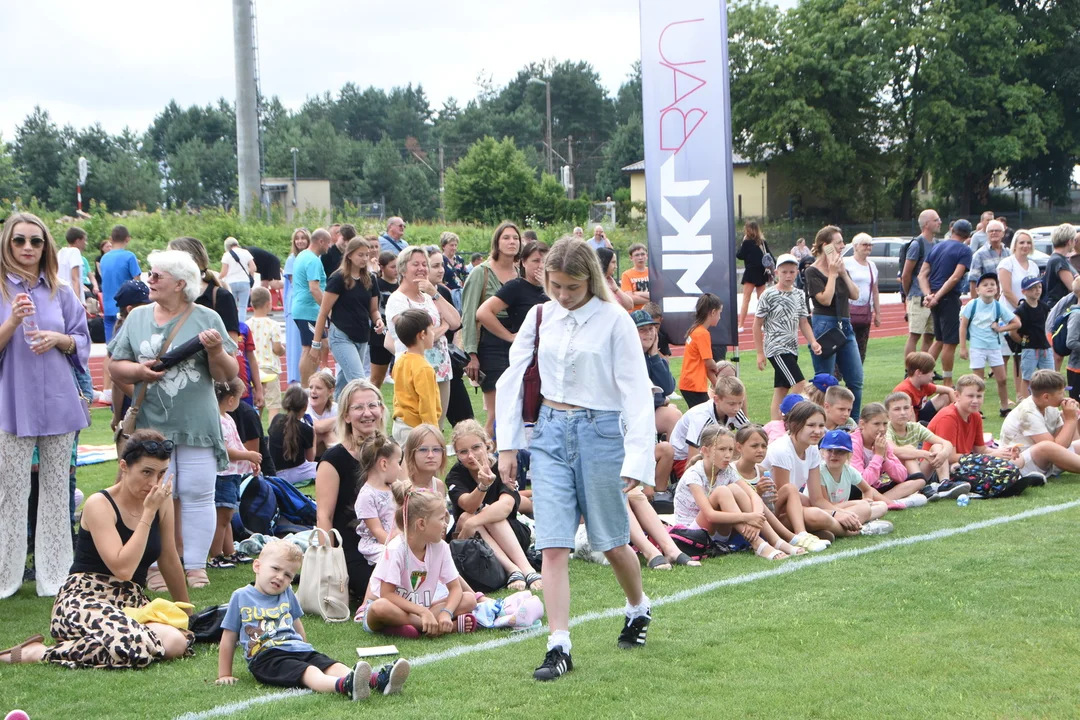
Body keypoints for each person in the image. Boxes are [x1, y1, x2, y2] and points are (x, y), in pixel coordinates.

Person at [496, 237, 656, 681]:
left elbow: (637, 391)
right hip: (548, 430)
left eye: (572, 286)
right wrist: (508, 445)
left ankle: (638, 606)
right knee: (552, 543)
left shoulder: (615, 320)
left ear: (592, 279)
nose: (563, 295)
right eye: (555, 285)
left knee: (611, 541)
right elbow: (512, 377)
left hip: (602, 433)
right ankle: (558, 644)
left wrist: (638, 459)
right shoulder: (539, 315)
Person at [1, 432, 193, 667]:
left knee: (175, 642)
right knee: (135, 644)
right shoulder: (99, 504)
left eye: (161, 473)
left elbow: (169, 558)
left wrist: (186, 614)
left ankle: (73, 646)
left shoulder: (161, 500)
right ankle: (38, 653)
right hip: (84, 598)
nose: (154, 483)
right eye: (146, 472)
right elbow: (123, 569)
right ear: (124, 466)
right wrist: (148, 513)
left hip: (130, 601)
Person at [108, 249, 239, 590]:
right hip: (151, 422)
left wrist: (214, 351)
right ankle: (153, 567)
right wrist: (138, 371)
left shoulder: (207, 317)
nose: (148, 280)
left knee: (198, 493)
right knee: (151, 492)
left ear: (181, 284)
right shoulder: (137, 318)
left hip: (197, 421)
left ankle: (195, 566)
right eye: (150, 274)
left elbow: (228, 373)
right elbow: (115, 365)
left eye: (157, 276)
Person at [0, 213, 91, 599]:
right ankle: (6, 576)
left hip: (59, 400)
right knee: (10, 491)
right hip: (11, 401)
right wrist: (12, 322)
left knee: (57, 491)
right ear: (7, 243)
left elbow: (81, 341)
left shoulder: (61, 291)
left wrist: (59, 338)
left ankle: (54, 576)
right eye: (19, 240)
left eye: (35, 241)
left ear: (45, 246)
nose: (27, 248)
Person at [217, 539, 411, 699]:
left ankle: (378, 680)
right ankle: (345, 686)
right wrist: (225, 674)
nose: (280, 577)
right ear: (257, 566)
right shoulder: (241, 596)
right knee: (309, 671)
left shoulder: (287, 594)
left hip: (297, 649)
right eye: (275, 569)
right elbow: (229, 636)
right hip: (267, 657)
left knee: (332, 665)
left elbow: (296, 623)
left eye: (287, 575)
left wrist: (306, 648)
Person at [360, 480, 478, 637]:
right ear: (421, 524)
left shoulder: (441, 547)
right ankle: (427, 626)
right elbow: (387, 594)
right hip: (393, 607)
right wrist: (422, 612)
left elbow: (455, 588)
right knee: (379, 607)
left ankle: (410, 627)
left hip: (422, 609)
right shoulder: (396, 549)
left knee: (469, 599)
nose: (445, 525)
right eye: (441, 519)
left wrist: (446, 613)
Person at [673, 425, 802, 559]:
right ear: (705, 450)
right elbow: (710, 515)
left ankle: (777, 541)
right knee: (722, 491)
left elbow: (753, 495)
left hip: (719, 533)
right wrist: (748, 518)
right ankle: (759, 544)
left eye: (730, 449)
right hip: (693, 534)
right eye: (722, 449)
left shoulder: (727, 470)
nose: (728, 455)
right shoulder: (694, 474)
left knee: (735, 489)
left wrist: (755, 516)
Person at [315, 380, 388, 604]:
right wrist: (329, 564)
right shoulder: (333, 459)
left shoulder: (392, 452)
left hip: (390, 541)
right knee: (386, 590)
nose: (367, 413)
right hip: (353, 548)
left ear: (381, 410)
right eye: (358, 408)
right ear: (346, 416)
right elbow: (324, 516)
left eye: (372, 406)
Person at [447, 420, 541, 589]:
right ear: (456, 454)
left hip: (511, 534)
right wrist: (483, 486)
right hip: (475, 542)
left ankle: (525, 569)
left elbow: (506, 506)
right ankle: (513, 569)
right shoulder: (455, 475)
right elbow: (468, 505)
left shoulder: (502, 467)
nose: (471, 456)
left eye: (476, 447)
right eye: (463, 451)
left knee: (488, 512)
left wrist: (473, 521)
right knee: (465, 516)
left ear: (487, 445)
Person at [461, 222, 522, 435]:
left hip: (519, 344)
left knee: (518, 410)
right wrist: (471, 355)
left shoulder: (521, 273)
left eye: (515, 238)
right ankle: (488, 462)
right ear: (496, 242)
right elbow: (469, 314)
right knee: (496, 415)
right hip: (491, 345)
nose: (512, 241)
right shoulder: (481, 273)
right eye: (506, 237)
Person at [386, 246, 456, 428]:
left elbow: (455, 322)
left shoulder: (428, 297)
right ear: (402, 268)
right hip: (413, 370)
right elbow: (412, 333)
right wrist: (442, 327)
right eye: (415, 264)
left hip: (440, 368)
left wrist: (435, 294)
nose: (421, 268)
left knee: (437, 426)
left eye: (424, 264)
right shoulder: (397, 300)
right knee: (416, 427)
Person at [758, 402, 840, 548]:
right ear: (795, 425)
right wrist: (834, 515)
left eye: (821, 426)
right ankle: (851, 530)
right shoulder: (782, 449)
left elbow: (817, 498)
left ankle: (827, 527)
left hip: (792, 507)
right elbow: (782, 500)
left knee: (865, 506)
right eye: (811, 425)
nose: (817, 431)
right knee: (817, 515)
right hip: (771, 512)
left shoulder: (813, 448)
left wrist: (840, 513)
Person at [312, 237, 384, 397]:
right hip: (341, 336)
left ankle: (334, 415)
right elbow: (323, 312)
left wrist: (378, 321)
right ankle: (368, 413)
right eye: (360, 255)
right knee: (359, 383)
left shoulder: (370, 279)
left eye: (367, 255)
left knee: (344, 384)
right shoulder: (338, 279)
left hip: (362, 336)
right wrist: (316, 344)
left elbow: (373, 310)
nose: (365, 259)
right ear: (349, 255)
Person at [753, 253, 822, 420]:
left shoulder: (798, 294)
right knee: (799, 384)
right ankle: (790, 417)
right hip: (776, 348)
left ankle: (774, 425)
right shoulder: (768, 295)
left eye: (792, 272)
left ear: (797, 273)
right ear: (777, 272)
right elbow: (756, 324)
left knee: (781, 389)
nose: (788, 276)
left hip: (791, 347)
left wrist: (813, 341)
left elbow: (803, 322)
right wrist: (760, 352)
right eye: (784, 272)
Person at [805, 225, 864, 415]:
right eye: (838, 242)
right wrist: (831, 274)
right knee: (825, 382)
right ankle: (824, 422)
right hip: (824, 325)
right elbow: (825, 299)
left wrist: (843, 273)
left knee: (856, 379)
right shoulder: (812, 272)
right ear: (826, 245)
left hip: (844, 325)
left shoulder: (840, 267)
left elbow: (855, 294)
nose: (842, 245)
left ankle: (852, 422)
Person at [211, 378, 261, 569]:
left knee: (228, 515)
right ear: (231, 400)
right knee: (221, 516)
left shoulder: (227, 418)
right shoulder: (219, 420)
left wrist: (249, 460)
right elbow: (224, 450)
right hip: (223, 474)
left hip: (231, 474)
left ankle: (229, 550)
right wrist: (248, 455)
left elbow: (236, 444)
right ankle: (216, 555)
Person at [919, 218, 974, 388]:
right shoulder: (965, 250)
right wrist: (937, 297)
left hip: (935, 297)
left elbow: (922, 275)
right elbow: (955, 277)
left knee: (940, 339)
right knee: (950, 342)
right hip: (948, 298)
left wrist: (928, 295)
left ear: (952, 230)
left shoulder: (937, 247)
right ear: (968, 235)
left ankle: (919, 373)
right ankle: (947, 380)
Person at [999, 369, 1080, 482]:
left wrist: (1073, 417)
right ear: (1046, 397)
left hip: (1043, 460)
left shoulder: (1051, 407)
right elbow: (1054, 447)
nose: (1064, 396)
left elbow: (1063, 444)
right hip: (1020, 462)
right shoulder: (1028, 412)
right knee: (1046, 446)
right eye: (1061, 393)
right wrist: (1070, 420)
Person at [631, 309, 680, 494]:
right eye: (642, 330)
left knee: (673, 414)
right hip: (630, 421)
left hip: (648, 414)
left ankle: (674, 473)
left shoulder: (653, 357)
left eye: (651, 329)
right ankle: (657, 486)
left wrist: (653, 356)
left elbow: (667, 387)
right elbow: (648, 395)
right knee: (672, 412)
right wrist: (662, 399)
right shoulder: (627, 356)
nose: (649, 333)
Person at [809, 430, 893, 537]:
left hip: (842, 510)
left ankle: (849, 524)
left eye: (840, 451)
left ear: (849, 454)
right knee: (863, 507)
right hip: (825, 511)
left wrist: (866, 500)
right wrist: (857, 507)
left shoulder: (849, 470)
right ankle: (860, 527)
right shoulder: (819, 471)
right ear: (822, 452)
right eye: (829, 450)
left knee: (881, 506)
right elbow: (824, 504)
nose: (834, 455)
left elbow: (867, 489)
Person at [958, 272, 1020, 416]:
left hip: (994, 347)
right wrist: (962, 347)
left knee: (1002, 379)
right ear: (978, 290)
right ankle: (976, 410)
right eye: (985, 285)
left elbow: (1016, 323)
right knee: (977, 381)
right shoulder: (972, 305)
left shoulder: (998, 306)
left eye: (992, 284)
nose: (989, 287)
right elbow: (963, 326)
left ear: (997, 288)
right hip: (977, 347)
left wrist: (1000, 328)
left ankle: (1004, 408)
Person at [670, 376, 751, 479]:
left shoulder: (733, 411)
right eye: (732, 404)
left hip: (711, 451)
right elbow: (693, 456)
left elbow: (750, 434)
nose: (737, 408)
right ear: (716, 400)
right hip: (683, 458)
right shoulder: (701, 417)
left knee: (742, 443)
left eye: (740, 403)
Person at [926, 375, 1016, 466]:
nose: (975, 400)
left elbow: (981, 449)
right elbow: (950, 457)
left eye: (979, 396)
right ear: (957, 396)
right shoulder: (948, 418)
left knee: (1013, 463)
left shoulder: (975, 415)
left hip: (963, 462)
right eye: (970, 396)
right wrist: (990, 456)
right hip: (938, 467)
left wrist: (1004, 453)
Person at [848, 403, 927, 506]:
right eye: (876, 424)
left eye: (885, 424)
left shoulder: (881, 441)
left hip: (875, 488)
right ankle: (892, 502)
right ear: (862, 424)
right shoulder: (853, 443)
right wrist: (878, 456)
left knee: (919, 479)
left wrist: (885, 460)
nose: (882, 429)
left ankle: (882, 501)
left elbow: (902, 476)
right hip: (858, 488)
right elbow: (862, 481)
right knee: (862, 488)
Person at [882, 392, 954, 495]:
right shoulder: (886, 429)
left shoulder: (915, 427)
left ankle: (945, 483)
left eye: (906, 408)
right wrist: (924, 454)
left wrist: (944, 453)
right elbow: (893, 450)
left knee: (938, 446)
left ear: (911, 410)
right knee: (909, 450)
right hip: (894, 475)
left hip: (916, 471)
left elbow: (946, 443)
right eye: (897, 409)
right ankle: (920, 486)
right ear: (887, 414)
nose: (902, 412)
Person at [352, 434, 403, 576]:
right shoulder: (367, 495)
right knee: (395, 557)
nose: (400, 469)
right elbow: (377, 531)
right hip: (379, 545)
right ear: (384, 464)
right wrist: (398, 542)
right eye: (398, 463)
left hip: (398, 539)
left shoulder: (394, 487)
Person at [390, 309, 441, 443]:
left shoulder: (401, 360)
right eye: (431, 330)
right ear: (422, 334)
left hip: (400, 424)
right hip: (416, 428)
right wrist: (432, 433)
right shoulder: (423, 368)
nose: (433, 333)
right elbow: (427, 404)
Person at [901, 209, 941, 359]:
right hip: (918, 297)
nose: (939, 222)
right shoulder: (917, 244)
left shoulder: (937, 244)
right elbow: (906, 274)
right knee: (915, 334)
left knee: (930, 335)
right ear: (926, 224)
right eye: (936, 220)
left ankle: (924, 367)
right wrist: (909, 294)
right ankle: (909, 370)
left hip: (933, 296)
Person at [293, 229, 330, 386]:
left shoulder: (302, 255)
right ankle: (306, 389)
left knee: (323, 345)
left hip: (306, 309)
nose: (329, 247)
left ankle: (315, 382)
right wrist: (327, 309)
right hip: (308, 311)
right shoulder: (313, 260)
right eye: (328, 243)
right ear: (321, 241)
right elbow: (314, 288)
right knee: (309, 349)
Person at [1010, 276, 1052, 400]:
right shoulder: (1021, 310)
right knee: (1027, 378)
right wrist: (1024, 343)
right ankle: (1026, 402)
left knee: (1050, 377)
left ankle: (1048, 401)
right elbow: (1013, 332)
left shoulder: (1044, 307)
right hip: (1030, 349)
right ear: (1024, 291)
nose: (1037, 290)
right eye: (1033, 288)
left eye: (1039, 287)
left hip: (1045, 347)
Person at [678, 293, 723, 408]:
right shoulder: (702, 333)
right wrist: (716, 367)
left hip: (690, 383)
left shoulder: (695, 330)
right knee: (704, 417)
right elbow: (708, 361)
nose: (720, 317)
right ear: (713, 312)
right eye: (719, 313)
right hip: (694, 384)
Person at [268, 385, 318, 485]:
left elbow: (269, 447)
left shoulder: (276, 419)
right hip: (297, 472)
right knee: (322, 467)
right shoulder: (306, 429)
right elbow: (310, 459)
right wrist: (314, 435)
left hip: (274, 472)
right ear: (305, 406)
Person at [99, 225, 141, 342]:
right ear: (128, 239)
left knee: (110, 342)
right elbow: (137, 282)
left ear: (110, 239)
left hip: (108, 304)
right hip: (125, 306)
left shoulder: (104, 258)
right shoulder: (129, 256)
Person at [248, 287, 284, 420]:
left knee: (257, 404)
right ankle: (272, 434)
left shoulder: (247, 325)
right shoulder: (273, 325)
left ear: (252, 304)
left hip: (254, 370)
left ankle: (257, 434)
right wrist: (282, 350)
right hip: (270, 370)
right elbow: (276, 348)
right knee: (273, 405)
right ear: (269, 304)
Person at [844, 233, 881, 362]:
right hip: (847, 311)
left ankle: (856, 375)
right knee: (845, 345)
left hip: (865, 311)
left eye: (870, 245)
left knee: (861, 346)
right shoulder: (846, 262)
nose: (868, 247)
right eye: (865, 244)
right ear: (855, 246)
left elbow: (875, 291)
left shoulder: (872, 266)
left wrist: (878, 313)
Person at [894, 351, 955, 424]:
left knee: (945, 396)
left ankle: (943, 422)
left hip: (919, 416)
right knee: (923, 425)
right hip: (908, 423)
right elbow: (907, 418)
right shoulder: (904, 390)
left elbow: (949, 390)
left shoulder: (923, 384)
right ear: (919, 373)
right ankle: (938, 426)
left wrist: (957, 412)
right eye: (931, 372)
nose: (933, 375)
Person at [283, 228, 310, 385]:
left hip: (308, 303)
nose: (300, 241)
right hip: (297, 303)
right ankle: (295, 377)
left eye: (303, 238)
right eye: (297, 238)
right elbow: (296, 282)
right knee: (296, 342)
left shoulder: (312, 257)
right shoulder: (292, 259)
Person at [736, 220, 771, 331]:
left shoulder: (746, 243)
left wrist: (742, 243)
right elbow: (769, 256)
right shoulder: (763, 242)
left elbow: (740, 255)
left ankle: (741, 325)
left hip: (751, 272)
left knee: (746, 299)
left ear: (748, 230)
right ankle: (763, 324)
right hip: (762, 272)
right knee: (761, 300)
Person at [967, 219, 1010, 297]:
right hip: (987, 301)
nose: (994, 233)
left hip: (1006, 300)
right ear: (987, 234)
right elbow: (973, 282)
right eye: (991, 231)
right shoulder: (979, 255)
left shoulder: (1008, 253)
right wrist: (975, 303)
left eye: (997, 230)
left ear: (1003, 233)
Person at [219, 238, 256, 323]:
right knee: (243, 307)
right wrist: (247, 272)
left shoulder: (227, 255)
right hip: (244, 282)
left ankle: (234, 325)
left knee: (232, 306)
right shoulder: (246, 252)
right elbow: (253, 267)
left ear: (227, 246)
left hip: (230, 283)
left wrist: (218, 278)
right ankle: (242, 325)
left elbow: (224, 272)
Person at [305, 370, 338, 457]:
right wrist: (341, 418)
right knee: (326, 433)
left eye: (318, 388)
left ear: (330, 391)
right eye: (311, 387)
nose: (313, 391)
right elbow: (319, 427)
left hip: (323, 450)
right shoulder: (304, 406)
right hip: (302, 452)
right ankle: (341, 462)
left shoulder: (335, 408)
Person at [1043, 224, 1077, 306]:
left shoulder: (1059, 259)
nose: (1075, 243)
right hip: (1060, 307)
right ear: (1069, 242)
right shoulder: (1058, 261)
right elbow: (1073, 287)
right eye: (1074, 240)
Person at [440, 232, 467, 308]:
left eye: (455, 245)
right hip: (446, 294)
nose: (454, 248)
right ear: (444, 246)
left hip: (461, 295)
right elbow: (438, 280)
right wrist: (450, 292)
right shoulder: (440, 260)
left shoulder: (460, 259)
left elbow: (465, 276)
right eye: (451, 245)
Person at [620, 243, 651, 312]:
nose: (640, 257)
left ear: (647, 256)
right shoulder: (626, 275)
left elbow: (659, 295)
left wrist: (638, 293)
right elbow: (630, 298)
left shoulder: (653, 273)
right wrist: (651, 298)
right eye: (637, 255)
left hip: (652, 313)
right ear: (631, 258)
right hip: (635, 313)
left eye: (642, 254)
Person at [57, 226, 87, 291]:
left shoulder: (61, 252)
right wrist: (78, 300)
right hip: (72, 294)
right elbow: (75, 279)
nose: (85, 243)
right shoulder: (75, 252)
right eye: (84, 240)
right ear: (78, 241)